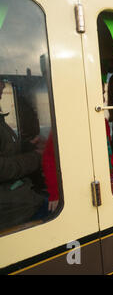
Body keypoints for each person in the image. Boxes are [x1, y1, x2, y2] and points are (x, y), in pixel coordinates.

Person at [0, 80, 46, 232]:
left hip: (19, 196)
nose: (2, 85)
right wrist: (36, 156)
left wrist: (29, 145)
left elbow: (8, 149)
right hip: (14, 207)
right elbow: (3, 168)